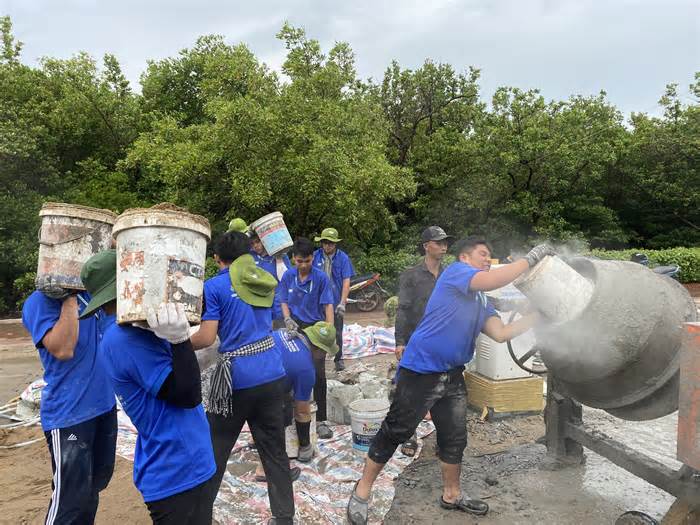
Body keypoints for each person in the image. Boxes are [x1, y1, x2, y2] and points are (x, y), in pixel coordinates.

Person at [346, 238, 555, 523]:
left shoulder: (480, 301)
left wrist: (538, 315)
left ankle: (452, 494)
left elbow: (501, 333)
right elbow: (493, 279)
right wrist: (530, 259)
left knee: (454, 437)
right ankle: (362, 491)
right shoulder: (456, 273)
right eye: (483, 254)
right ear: (464, 257)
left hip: (453, 374)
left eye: (489, 256)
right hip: (420, 370)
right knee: (396, 431)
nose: (486, 259)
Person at [81, 250, 216, 525]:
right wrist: (180, 340)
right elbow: (188, 395)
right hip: (174, 473)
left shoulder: (139, 330)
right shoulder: (123, 340)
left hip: (191, 464)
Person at [190, 231, 298, 525]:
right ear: (249, 252)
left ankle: (200, 518)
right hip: (273, 373)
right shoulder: (263, 276)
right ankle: (284, 518)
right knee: (274, 451)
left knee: (216, 451)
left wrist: (175, 342)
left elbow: (207, 337)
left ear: (216, 259)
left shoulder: (214, 286)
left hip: (237, 380)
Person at [22, 268, 117, 524]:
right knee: (70, 499)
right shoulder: (39, 302)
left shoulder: (98, 294)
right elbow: (63, 349)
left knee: (94, 486)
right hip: (69, 417)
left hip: (105, 408)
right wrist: (69, 296)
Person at [393, 225, 451, 456]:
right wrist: (400, 341)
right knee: (412, 392)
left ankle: (444, 440)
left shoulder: (449, 275)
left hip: (444, 341)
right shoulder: (412, 275)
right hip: (417, 341)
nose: (444, 246)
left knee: (443, 390)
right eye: (439, 242)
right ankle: (409, 436)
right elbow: (403, 309)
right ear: (426, 246)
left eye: (446, 242)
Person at [279, 237, 335, 439]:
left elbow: (328, 305)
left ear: (313, 258)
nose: (303, 265)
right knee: (291, 372)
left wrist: (329, 331)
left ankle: (321, 420)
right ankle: (291, 418)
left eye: (307, 261)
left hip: (315, 329)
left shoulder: (320, 278)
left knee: (318, 374)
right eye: (299, 261)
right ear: (294, 259)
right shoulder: (288, 276)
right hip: (294, 328)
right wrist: (286, 318)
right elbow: (283, 299)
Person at [313, 227, 354, 371]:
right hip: (318, 302)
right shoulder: (315, 256)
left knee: (337, 331)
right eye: (325, 242)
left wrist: (342, 302)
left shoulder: (343, 258)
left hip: (335, 300)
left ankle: (338, 359)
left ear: (335, 244)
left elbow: (346, 281)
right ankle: (317, 361)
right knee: (316, 331)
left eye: (330, 243)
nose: (327, 245)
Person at [250, 231, 292, 329]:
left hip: (278, 302)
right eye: (252, 244)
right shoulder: (251, 256)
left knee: (280, 330)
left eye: (257, 242)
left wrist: (279, 259)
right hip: (260, 302)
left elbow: (286, 278)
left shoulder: (279, 255)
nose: (255, 246)